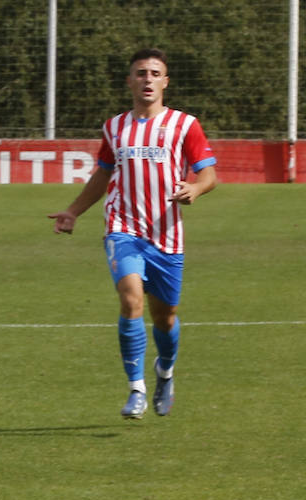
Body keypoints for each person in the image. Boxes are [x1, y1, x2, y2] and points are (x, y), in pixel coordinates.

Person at [48, 48, 218, 418]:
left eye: (155, 73)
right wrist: (74, 210)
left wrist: (196, 188)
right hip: (122, 228)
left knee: (165, 316)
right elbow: (103, 173)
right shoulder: (114, 127)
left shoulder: (185, 125)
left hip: (166, 234)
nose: (148, 79)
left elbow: (208, 175)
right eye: (141, 73)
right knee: (130, 301)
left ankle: (165, 372)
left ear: (165, 81)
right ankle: (136, 389)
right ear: (130, 81)